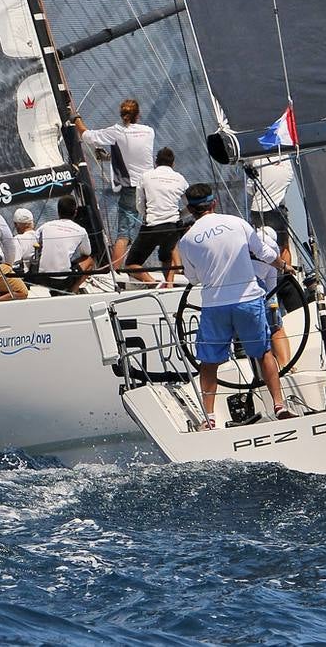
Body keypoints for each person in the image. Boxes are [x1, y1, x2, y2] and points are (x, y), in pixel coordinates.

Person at [177, 183, 296, 427]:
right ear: (214, 203)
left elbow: (193, 279)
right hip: (248, 301)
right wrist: (285, 267)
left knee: (209, 362)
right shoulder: (236, 223)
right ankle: (279, 406)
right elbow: (264, 253)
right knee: (263, 353)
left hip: (215, 306)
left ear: (189, 209)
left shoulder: (187, 240)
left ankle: (209, 418)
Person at [72, 98, 155, 269]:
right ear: (138, 115)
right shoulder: (149, 131)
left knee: (123, 234)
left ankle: (116, 273)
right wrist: (111, 157)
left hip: (131, 188)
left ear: (122, 114)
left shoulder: (117, 132)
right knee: (161, 226)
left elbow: (87, 136)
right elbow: (134, 153)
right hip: (151, 186)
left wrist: (76, 119)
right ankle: (173, 271)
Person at [125, 147, 189, 286]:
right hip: (173, 226)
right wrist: (180, 214)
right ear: (173, 163)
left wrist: (147, 214)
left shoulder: (146, 176)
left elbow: (140, 205)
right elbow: (190, 205)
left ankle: (153, 283)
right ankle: (169, 285)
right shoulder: (180, 178)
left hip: (152, 226)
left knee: (131, 264)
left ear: (156, 162)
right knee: (166, 255)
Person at [35, 195, 95, 293]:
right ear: (75, 212)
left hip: (40, 277)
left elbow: (35, 241)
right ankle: (73, 290)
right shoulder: (81, 230)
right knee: (89, 260)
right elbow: (87, 253)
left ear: (58, 211)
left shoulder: (45, 226)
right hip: (62, 281)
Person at [253, 225, 291, 368]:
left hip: (232, 286)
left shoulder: (244, 238)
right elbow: (271, 285)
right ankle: (285, 365)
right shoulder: (273, 249)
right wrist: (274, 310)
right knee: (276, 328)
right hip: (259, 288)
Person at [248, 155, 294, 267]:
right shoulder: (286, 163)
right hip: (277, 209)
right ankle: (286, 275)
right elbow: (286, 181)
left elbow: (249, 188)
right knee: (283, 246)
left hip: (257, 210)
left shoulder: (256, 159)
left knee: (261, 244)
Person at [12, 207, 38, 271]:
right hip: (41, 275)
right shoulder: (39, 236)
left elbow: (15, 265)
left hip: (26, 278)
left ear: (16, 225)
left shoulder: (18, 239)